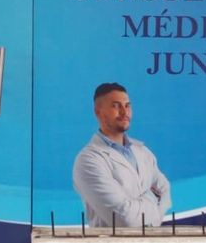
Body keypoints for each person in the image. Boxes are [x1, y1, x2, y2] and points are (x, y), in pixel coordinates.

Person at [73, 83, 172, 227]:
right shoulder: (88, 161)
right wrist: (153, 197)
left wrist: (140, 209)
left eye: (127, 106)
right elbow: (124, 220)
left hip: (151, 240)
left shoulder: (143, 152)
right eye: (116, 106)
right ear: (98, 112)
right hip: (111, 241)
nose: (125, 112)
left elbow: (166, 195)